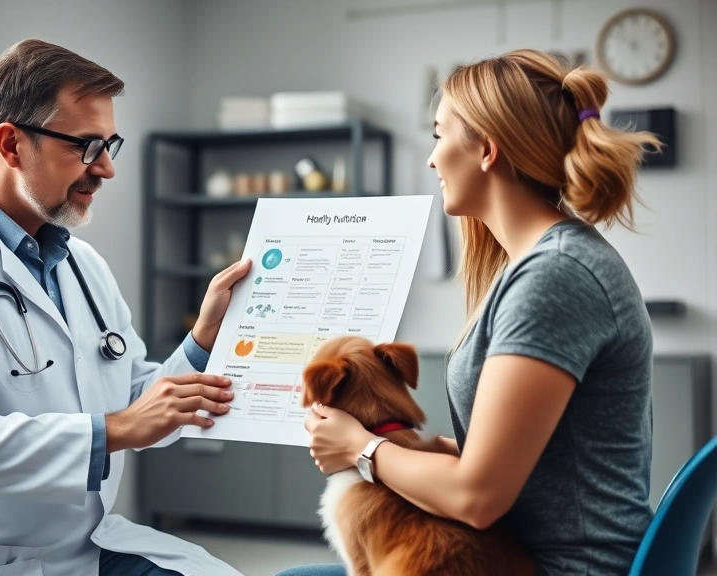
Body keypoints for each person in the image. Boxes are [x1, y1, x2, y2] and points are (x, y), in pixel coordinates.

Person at [0, 39, 251, 576]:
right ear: (11, 143)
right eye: (87, 146)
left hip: (87, 545)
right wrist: (114, 430)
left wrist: (205, 338)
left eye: (109, 143)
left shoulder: (83, 266)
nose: (107, 169)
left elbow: (138, 401)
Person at [277, 49, 660, 576]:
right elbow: (541, 459)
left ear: (485, 149)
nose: (432, 158)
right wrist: (430, 448)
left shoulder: (555, 277)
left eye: (439, 135)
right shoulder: (534, 266)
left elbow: (478, 497)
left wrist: (362, 448)